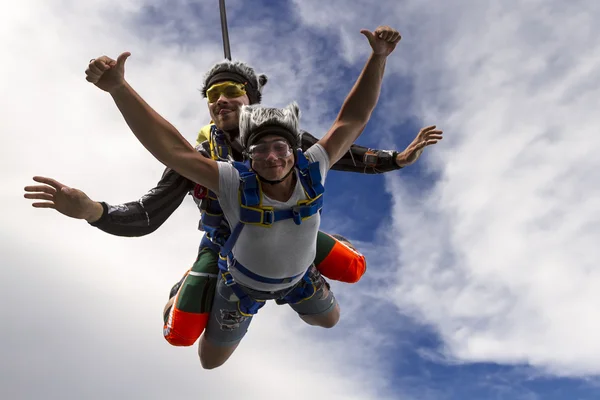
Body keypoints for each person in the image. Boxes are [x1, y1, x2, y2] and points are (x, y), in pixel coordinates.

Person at [23, 26, 438, 368]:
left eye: (231, 90)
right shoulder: (214, 167)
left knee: (345, 285)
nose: (220, 99)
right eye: (212, 94)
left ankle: (306, 262)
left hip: (291, 243)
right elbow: (161, 175)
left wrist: (395, 159)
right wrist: (94, 210)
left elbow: (348, 133)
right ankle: (196, 286)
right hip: (230, 252)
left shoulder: (287, 146)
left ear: (252, 99)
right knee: (197, 347)